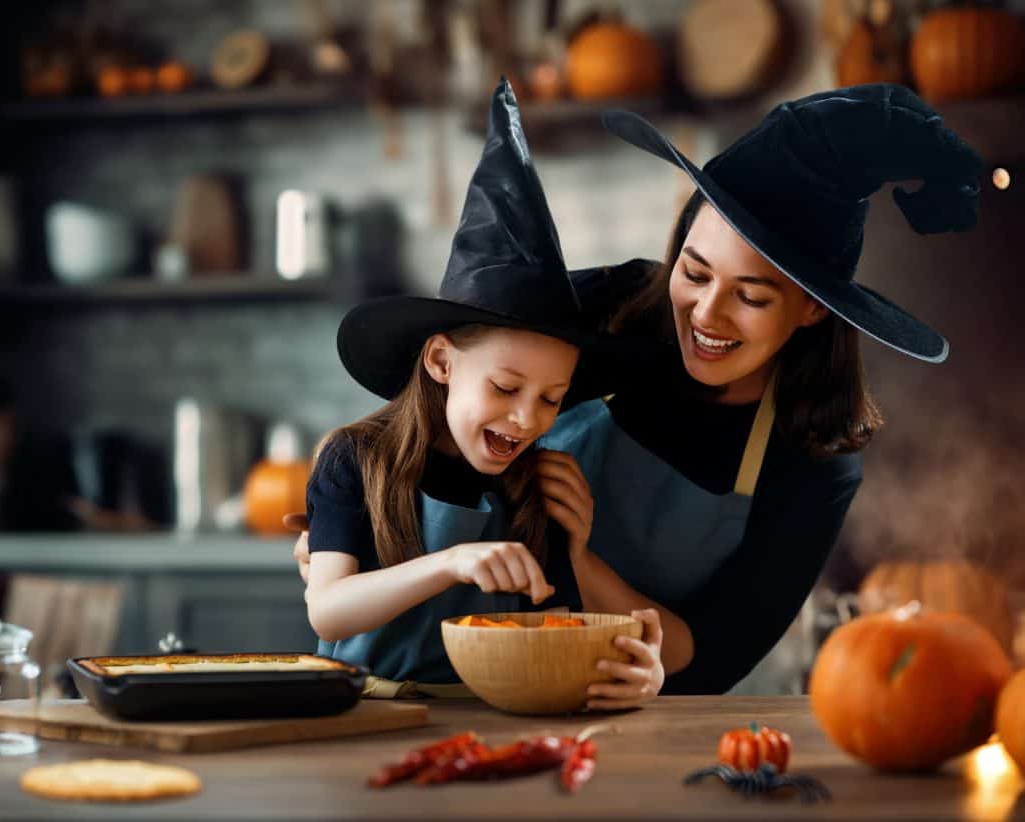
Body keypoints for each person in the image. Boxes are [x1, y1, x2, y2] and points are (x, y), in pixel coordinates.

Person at [297, 84, 982, 701]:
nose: (707, 316)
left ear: (811, 310)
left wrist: (582, 561)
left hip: (609, 699)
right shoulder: (604, 315)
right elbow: (441, 398)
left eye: (749, 296)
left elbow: (713, 656)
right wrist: (356, 523)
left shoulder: (814, 451)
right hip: (472, 686)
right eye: (694, 271)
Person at [303, 78, 666, 702]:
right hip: (361, 718)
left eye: (552, 398)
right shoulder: (354, 458)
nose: (527, 420)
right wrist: (449, 563)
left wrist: (638, 667)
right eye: (505, 387)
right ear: (442, 361)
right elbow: (328, 610)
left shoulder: (536, 486)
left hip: (491, 721)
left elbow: (558, 627)